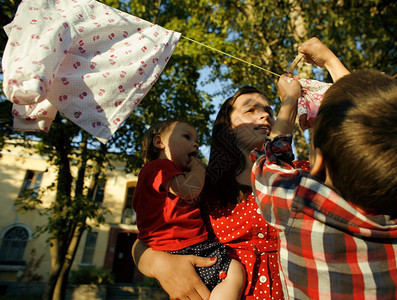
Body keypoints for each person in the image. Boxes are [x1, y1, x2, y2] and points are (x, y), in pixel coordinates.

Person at [131, 38, 349, 300]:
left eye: (269, 109)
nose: (266, 115)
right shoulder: (203, 185)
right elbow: (148, 237)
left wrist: (330, 62)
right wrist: (159, 265)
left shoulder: (300, 174)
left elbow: (360, 134)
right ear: (227, 128)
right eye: (251, 109)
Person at [251, 43, 397, 298]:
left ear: (318, 163)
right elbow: (378, 125)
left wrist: (288, 102)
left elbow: (270, 161)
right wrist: (331, 61)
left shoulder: (297, 204)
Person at [132, 120, 245, 300]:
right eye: (187, 136)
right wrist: (199, 169)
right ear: (160, 142)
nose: (196, 144)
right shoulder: (160, 166)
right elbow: (188, 190)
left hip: (174, 251)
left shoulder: (162, 174)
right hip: (186, 247)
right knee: (234, 271)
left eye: (197, 140)